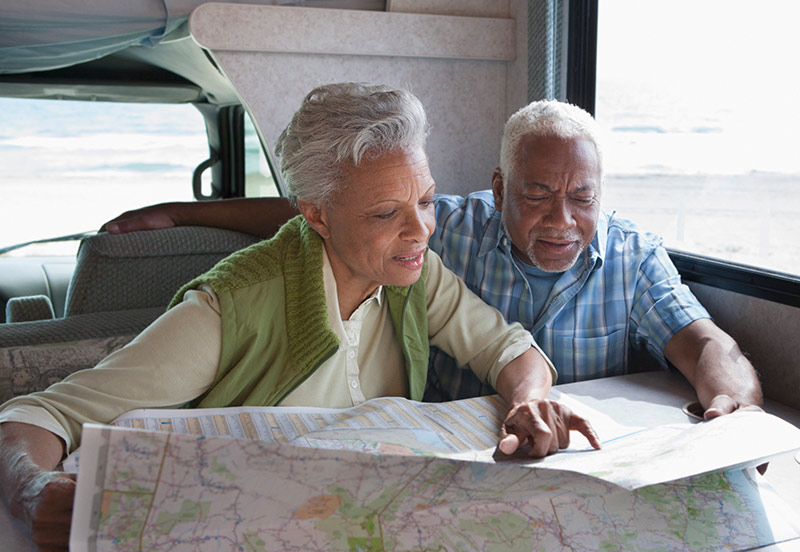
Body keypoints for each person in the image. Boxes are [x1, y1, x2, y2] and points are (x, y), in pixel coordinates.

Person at [0, 84, 601, 552]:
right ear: (316, 214)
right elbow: (34, 415)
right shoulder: (226, 310)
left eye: (425, 200)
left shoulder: (418, 276)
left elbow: (509, 350)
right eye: (387, 212)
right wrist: (31, 489)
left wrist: (530, 400)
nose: (421, 229)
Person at [103, 99, 763, 417]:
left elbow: (706, 344)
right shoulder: (446, 229)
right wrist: (181, 213)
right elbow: (333, 215)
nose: (563, 220)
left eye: (582, 197)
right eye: (537, 194)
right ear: (499, 189)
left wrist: (737, 413)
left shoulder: (632, 256)